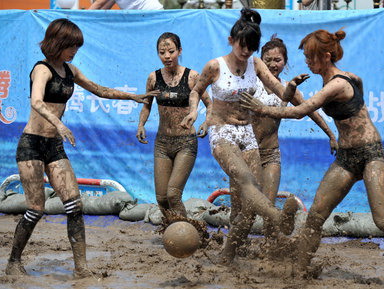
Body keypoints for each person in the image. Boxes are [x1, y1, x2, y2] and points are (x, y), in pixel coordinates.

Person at [240, 29, 384, 289]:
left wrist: (260, 108)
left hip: (370, 154)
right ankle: (299, 272)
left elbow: (299, 112)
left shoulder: (338, 83)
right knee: (316, 215)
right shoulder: (348, 78)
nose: (307, 61)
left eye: (310, 56)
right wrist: (293, 87)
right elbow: (352, 90)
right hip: (346, 157)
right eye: (306, 56)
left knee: (383, 220)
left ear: (326, 56)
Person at [6, 18, 158, 278]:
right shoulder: (41, 69)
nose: (74, 51)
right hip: (31, 144)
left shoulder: (71, 71)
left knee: (74, 205)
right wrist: (59, 124)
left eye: (77, 47)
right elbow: (36, 101)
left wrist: (132, 96)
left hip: (54, 146)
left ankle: (81, 268)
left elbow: (99, 90)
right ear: (57, 43)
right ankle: (13, 261)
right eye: (71, 46)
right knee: (36, 209)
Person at [181, 8, 303, 263]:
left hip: (247, 134)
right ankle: (278, 217)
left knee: (247, 203)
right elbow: (196, 91)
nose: (246, 52)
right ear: (231, 41)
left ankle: (228, 254)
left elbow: (282, 93)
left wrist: (291, 86)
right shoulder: (215, 66)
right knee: (248, 182)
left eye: (251, 47)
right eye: (242, 46)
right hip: (221, 131)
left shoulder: (256, 64)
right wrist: (194, 112)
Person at [240, 35, 337, 236]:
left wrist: (331, 135)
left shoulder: (286, 88)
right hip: (248, 154)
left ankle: (269, 252)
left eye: (278, 60)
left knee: (268, 206)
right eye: (268, 60)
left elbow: (310, 110)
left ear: (285, 62)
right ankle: (236, 247)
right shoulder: (250, 83)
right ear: (260, 60)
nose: (273, 64)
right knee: (246, 208)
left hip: (271, 154)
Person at [136, 32, 211, 225]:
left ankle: (190, 234)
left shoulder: (192, 76)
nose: (167, 56)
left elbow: (210, 104)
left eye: (171, 51)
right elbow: (147, 105)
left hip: (185, 143)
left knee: (173, 195)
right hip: (162, 143)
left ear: (179, 51)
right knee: (161, 198)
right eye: (162, 52)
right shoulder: (153, 78)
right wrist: (141, 124)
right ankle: (174, 234)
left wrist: (206, 122)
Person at [88, 0, 164, 10]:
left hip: (153, 13)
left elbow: (99, 3)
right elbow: (104, 8)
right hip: (142, 16)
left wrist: (81, 16)